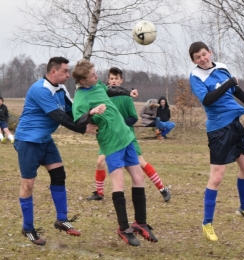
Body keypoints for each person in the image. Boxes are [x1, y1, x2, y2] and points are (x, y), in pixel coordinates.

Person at [72, 60, 158, 247]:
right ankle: (123, 227)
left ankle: (140, 223)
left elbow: (110, 90)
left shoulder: (97, 85)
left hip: (126, 137)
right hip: (111, 143)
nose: (96, 76)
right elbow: (77, 121)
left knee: (138, 178)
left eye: (95, 73)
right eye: (92, 75)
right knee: (118, 183)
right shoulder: (80, 97)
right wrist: (91, 112)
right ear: (83, 81)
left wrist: (128, 92)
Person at [13, 57, 95, 246]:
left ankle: (61, 219)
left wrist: (89, 116)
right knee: (28, 184)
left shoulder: (61, 89)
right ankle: (28, 227)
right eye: (65, 71)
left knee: (59, 175)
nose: (68, 75)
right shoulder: (40, 90)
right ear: (53, 72)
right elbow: (59, 117)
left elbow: (70, 112)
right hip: (28, 141)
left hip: (45, 140)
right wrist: (82, 129)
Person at [189, 41, 244, 242]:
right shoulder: (196, 77)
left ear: (210, 52)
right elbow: (208, 100)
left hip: (235, 123)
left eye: (204, 54)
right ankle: (207, 223)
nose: (202, 58)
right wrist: (230, 83)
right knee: (217, 177)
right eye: (197, 57)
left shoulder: (222, 67)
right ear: (194, 61)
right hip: (219, 129)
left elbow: (236, 91)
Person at [87, 67, 171, 202]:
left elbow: (133, 118)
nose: (114, 81)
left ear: (121, 81)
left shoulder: (126, 98)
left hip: (126, 136)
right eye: (111, 78)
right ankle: (99, 193)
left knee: (140, 162)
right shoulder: (103, 96)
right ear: (108, 80)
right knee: (100, 162)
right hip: (109, 138)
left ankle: (162, 188)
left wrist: (119, 124)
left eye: (116, 79)